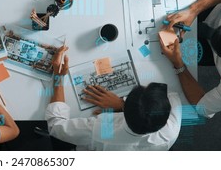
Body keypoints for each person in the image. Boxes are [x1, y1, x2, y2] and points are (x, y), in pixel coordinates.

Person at [45, 46, 182, 150]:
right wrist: (122, 105)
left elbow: (55, 126)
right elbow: (172, 95)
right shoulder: (171, 131)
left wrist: (58, 76)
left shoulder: (100, 130)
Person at [160, 0, 221, 118]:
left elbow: (201, 107)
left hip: (210, 50)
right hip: (217, 4)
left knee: (186, 53)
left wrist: (178, 63)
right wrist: (193, 10)